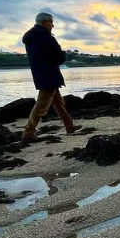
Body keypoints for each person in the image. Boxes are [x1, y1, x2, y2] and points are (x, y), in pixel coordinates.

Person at [23, 13, 81, 142]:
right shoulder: (45, 37)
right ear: (44, 22)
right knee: (42, 105)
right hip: (49, 75)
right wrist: (63, 54)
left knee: (59, 103)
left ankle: (69, 126)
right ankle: (29, 132)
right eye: (51, 22)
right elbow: (59, 57)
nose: (53, 25)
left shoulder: (31, 38)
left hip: (40, 73)